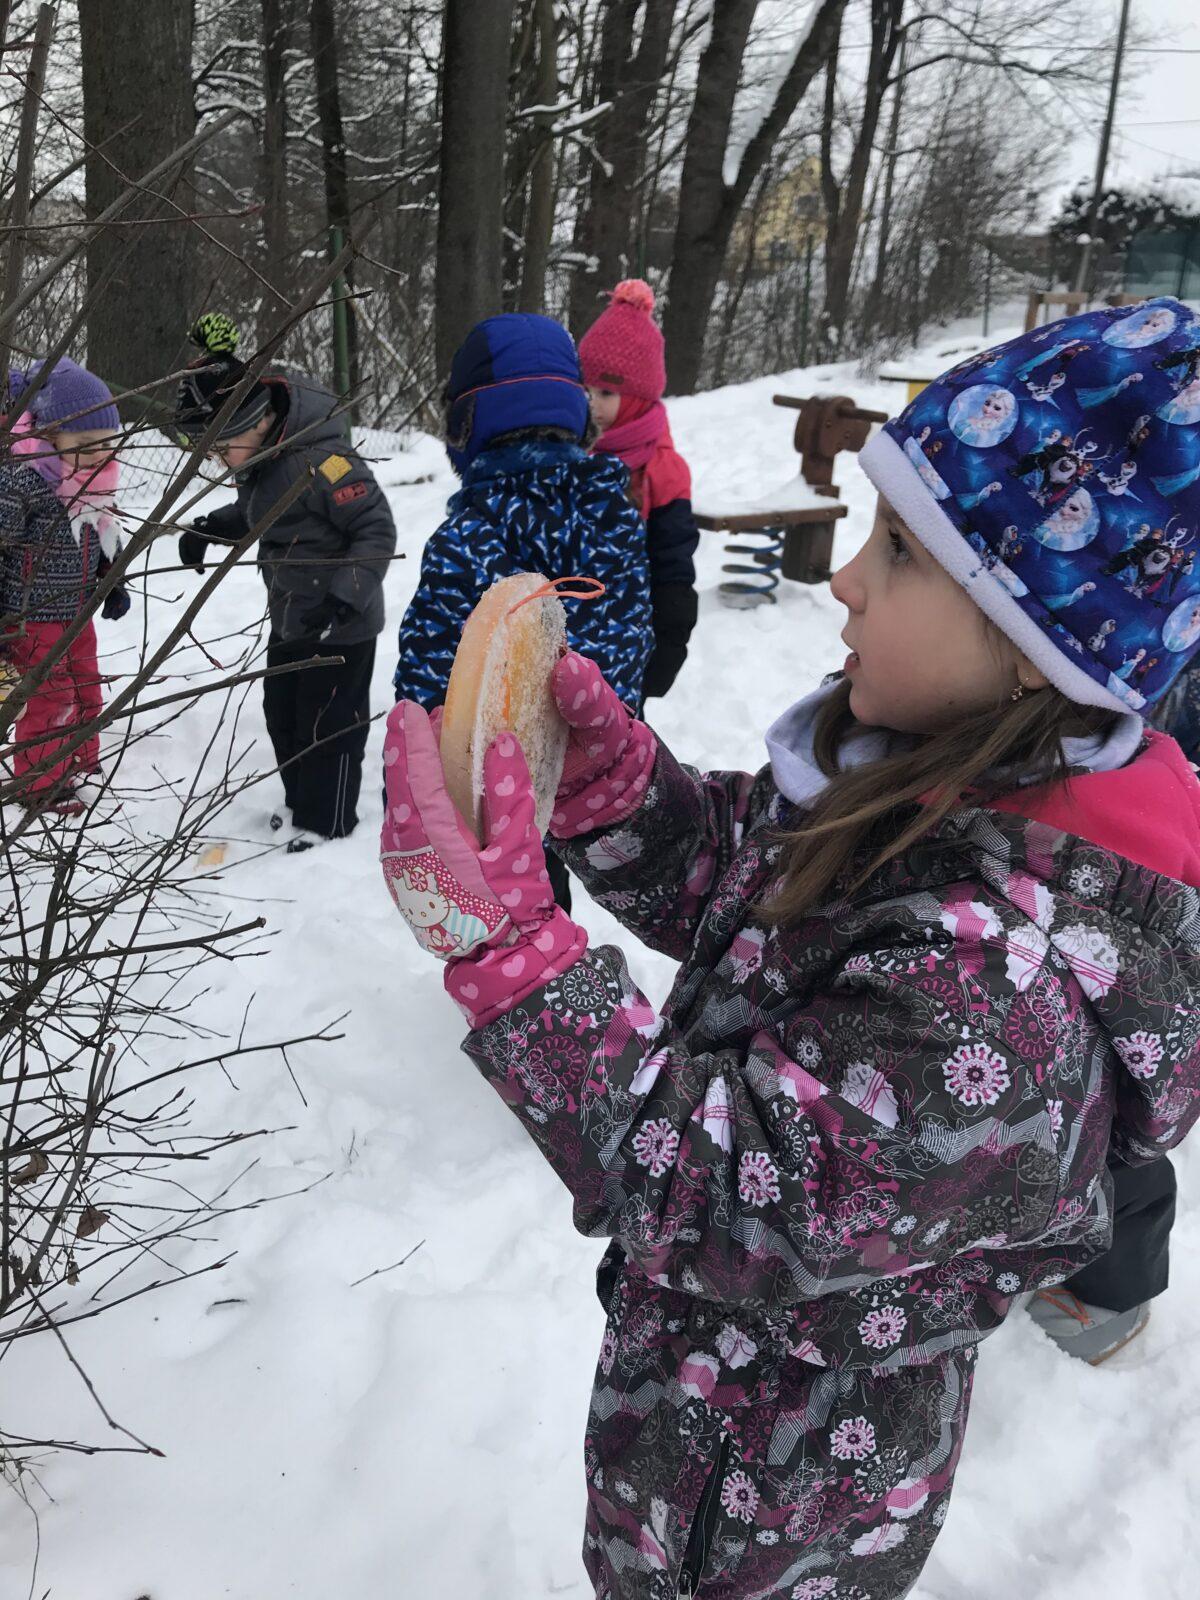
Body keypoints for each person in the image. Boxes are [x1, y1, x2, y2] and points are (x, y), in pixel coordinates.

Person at [379, 298, 1200, 1599]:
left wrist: (519, 959)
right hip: (690, 1425)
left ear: (1046, 646)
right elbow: (742, 887)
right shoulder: (924, 782)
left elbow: (726, 1195)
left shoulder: (1005, 997)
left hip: (783, 1505)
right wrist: (616, 792)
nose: (849, 578)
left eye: (907, 555)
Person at [392, 311, 654, 909]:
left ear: (466, 422)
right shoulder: (612, 511)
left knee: (509, 899)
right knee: (553, 886)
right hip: (596, 763)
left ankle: (518, 982)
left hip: (495, 787)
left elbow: (434, 676)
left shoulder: (470, 534)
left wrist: (416, 790)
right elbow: (631, 632)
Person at [174, 314, 397, 852]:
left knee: (331, 728)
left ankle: (330, 824)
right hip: (293, 616)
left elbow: (375, 527)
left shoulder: (327, 461)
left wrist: (346, 598)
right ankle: (302, 805)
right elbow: (260, 510)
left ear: (255, 424)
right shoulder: (264, 463)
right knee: (284, 714)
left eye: (221, 446)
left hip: (341, 627)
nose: (219, 460)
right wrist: (213, 529)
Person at [1, 358, 128, 816]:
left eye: (107, 442)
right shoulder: (22, 483)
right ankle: (38, 781)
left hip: (77, 610)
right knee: (49, 696)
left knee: (86, 684)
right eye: (85, 443)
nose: (100, 452)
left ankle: (79, 756)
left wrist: (112, 582)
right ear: (49, 437)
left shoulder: (93, 481)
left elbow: (103, 536)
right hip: (32, 616)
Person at [579, 279, 700, 702]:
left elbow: (673, 568)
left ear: (636, 398)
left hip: (630, 652)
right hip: (568, 643)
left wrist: (667, 647)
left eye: (607, 392)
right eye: (584, 388)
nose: (590, 402)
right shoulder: (572, 454)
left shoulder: (662, 470)